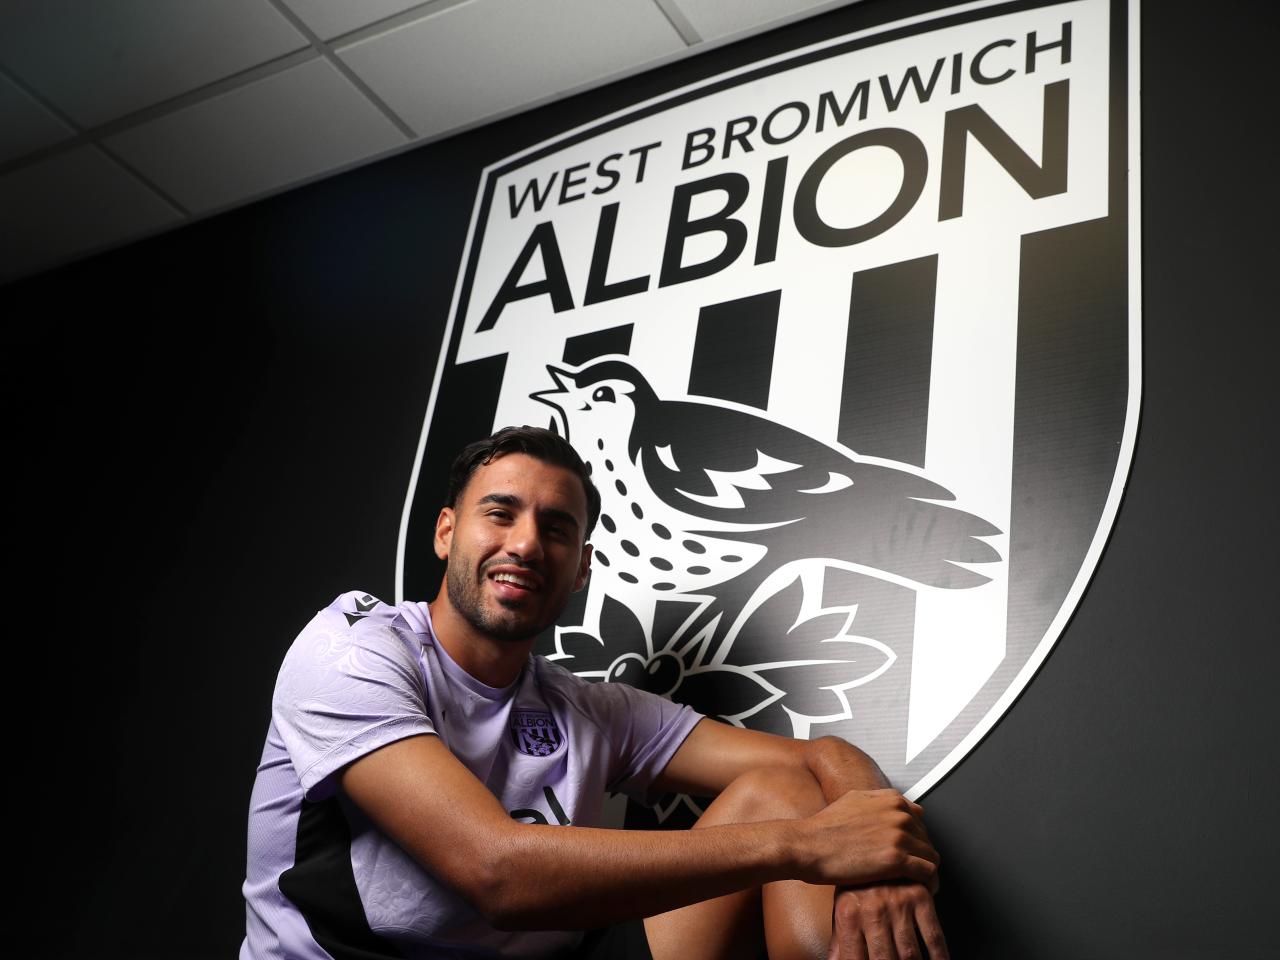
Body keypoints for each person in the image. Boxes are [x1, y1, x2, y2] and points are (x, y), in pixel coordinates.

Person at [242, 426, 948, 960]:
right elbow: (497, 872)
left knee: (788, 791)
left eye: (556, 528)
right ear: (446, 531)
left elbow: (815, 760)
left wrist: (877, 860)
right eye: (501, 513)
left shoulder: (586, 707)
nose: (525, 544)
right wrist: (809, 847)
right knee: (800, 826)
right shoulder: (353, 649)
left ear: (581, 569)